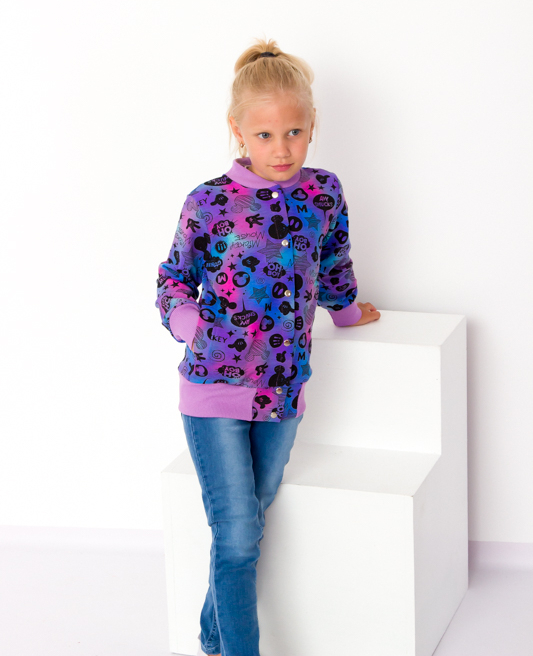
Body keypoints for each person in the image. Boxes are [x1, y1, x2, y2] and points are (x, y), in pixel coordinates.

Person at [155, 37, 380, 656]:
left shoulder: (323, 193)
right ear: (237, 131)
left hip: (283, 392)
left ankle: (211, 636)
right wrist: (194, 328)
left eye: (295, 133)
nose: (282, 149)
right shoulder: (208, 202)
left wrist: (348, 311)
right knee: (236, 536)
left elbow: (333, 264)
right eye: (265, 136)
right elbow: (173, 279)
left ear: (312, 126)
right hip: (212, 389)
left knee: (248, 522)